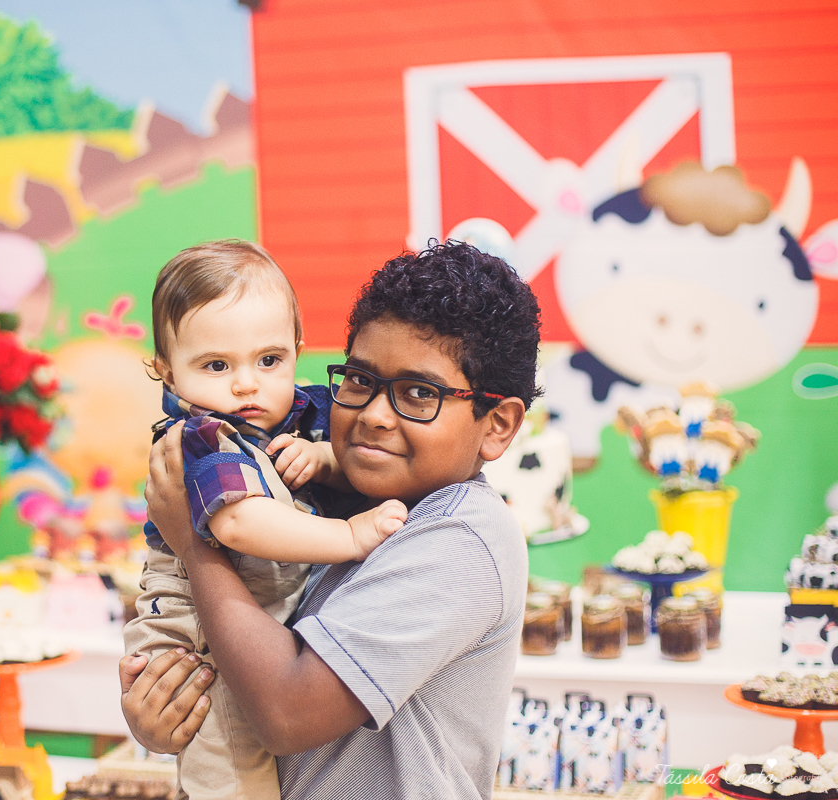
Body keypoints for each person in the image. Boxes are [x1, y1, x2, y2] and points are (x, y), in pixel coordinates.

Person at [121, 240, 540, 799]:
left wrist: (193, 544)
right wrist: (171, 708)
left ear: (497, 425)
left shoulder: (461, 534)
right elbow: (247, 652)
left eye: (419, 394)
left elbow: (287, 713)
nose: (373, 415)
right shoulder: (349, 492)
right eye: (360, 381)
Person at [125, 239, 408, 800]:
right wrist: (349, 535)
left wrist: (326, 459)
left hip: (251, 618)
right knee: (232, 763)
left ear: (297, 350)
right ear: (166, 372)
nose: (247, 383)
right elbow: (239, 523)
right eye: (216, 365)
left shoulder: (300, 412)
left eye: (269, 360)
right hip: (199, 643)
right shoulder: (205, 436)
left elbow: (355, 460)